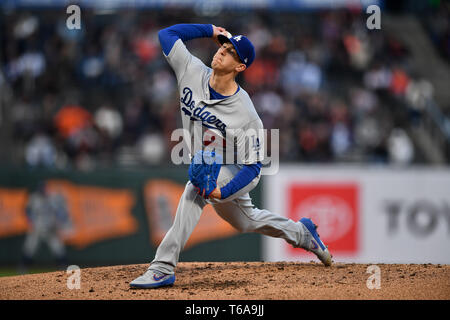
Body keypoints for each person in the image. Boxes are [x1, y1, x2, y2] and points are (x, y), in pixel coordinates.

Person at [130, 24, 332, 289]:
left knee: (197, 185)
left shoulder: (245, 113)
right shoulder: (191, 69)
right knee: (246, 221)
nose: (221, 53)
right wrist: (210, 30)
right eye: (222, 47)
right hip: (209, 164)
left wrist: (222, 192)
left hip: (233, 169)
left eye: (229, 53)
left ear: (240, 67)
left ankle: (162, 267)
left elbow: (253, 169)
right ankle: (302, 233)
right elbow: (166, 35)